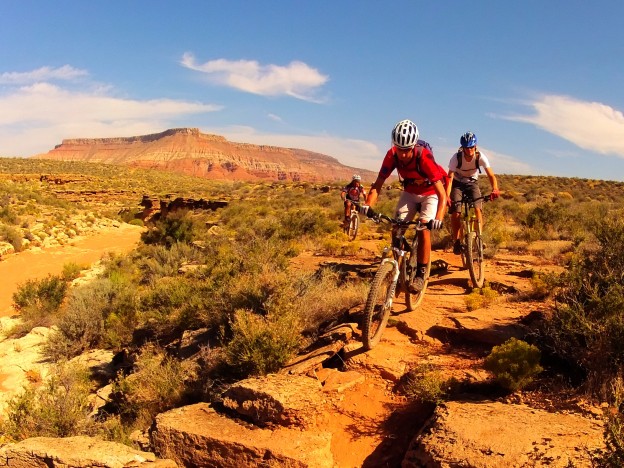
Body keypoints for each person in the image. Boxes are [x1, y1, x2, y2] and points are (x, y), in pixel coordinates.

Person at [360, 119, 447, 292]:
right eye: (400, 149)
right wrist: (367, 204)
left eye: (407, 150)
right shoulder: (391, 155)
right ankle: (397, 270)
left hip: (430, 194)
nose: (404, 154)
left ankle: (421, 274)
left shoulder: (424, 157)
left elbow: (442, 194)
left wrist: (438, 218)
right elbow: (378, 184)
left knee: (423, 228)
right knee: (396, 228)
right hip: (410, 192)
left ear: (413, 146)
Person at [446, 131, 500, 255]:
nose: (469, 150)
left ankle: (479, 237)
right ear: (462, 148)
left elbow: (491, 175)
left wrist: (495, 188)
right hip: (457, 183)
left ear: (475, 146)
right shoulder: (456, 157)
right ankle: (457, 241)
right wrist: (447, 196)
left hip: (472, 183)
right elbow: (449, 178)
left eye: (471, 147)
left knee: (477, 208)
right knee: (456, 211)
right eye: (466, 148)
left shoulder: (480, 157)